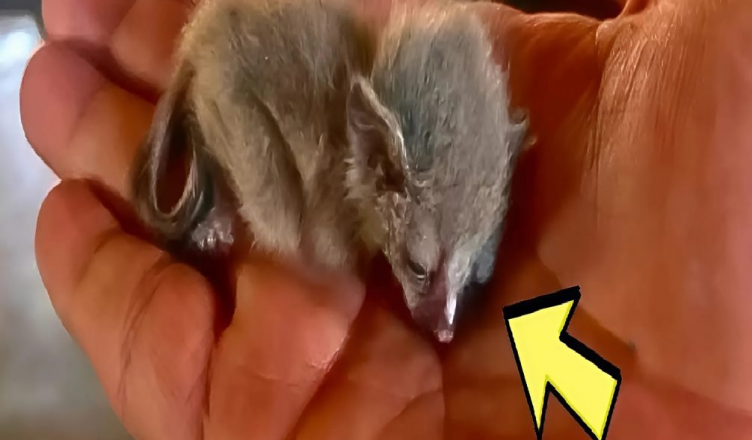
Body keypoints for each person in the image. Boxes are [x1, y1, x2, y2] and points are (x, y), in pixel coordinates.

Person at [19, 0, 752, 438]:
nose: (444, 318)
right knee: (287, 222)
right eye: (425, 269)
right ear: (375, 157)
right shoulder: (340, 192)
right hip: (247, 74)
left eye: (466, 267)